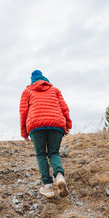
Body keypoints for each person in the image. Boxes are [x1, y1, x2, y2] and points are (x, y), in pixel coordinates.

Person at [19, 70, 72, 198]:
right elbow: (64, 107)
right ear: (44, 79)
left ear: (32, 80)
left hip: (36, 125)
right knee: (54, 152)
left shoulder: (27, 91)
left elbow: (23, 112)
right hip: (56, 123)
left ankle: (48, 186)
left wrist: (24, 131)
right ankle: (59, 176)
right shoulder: (54, 90)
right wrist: (68, 124)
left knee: (41, 154)